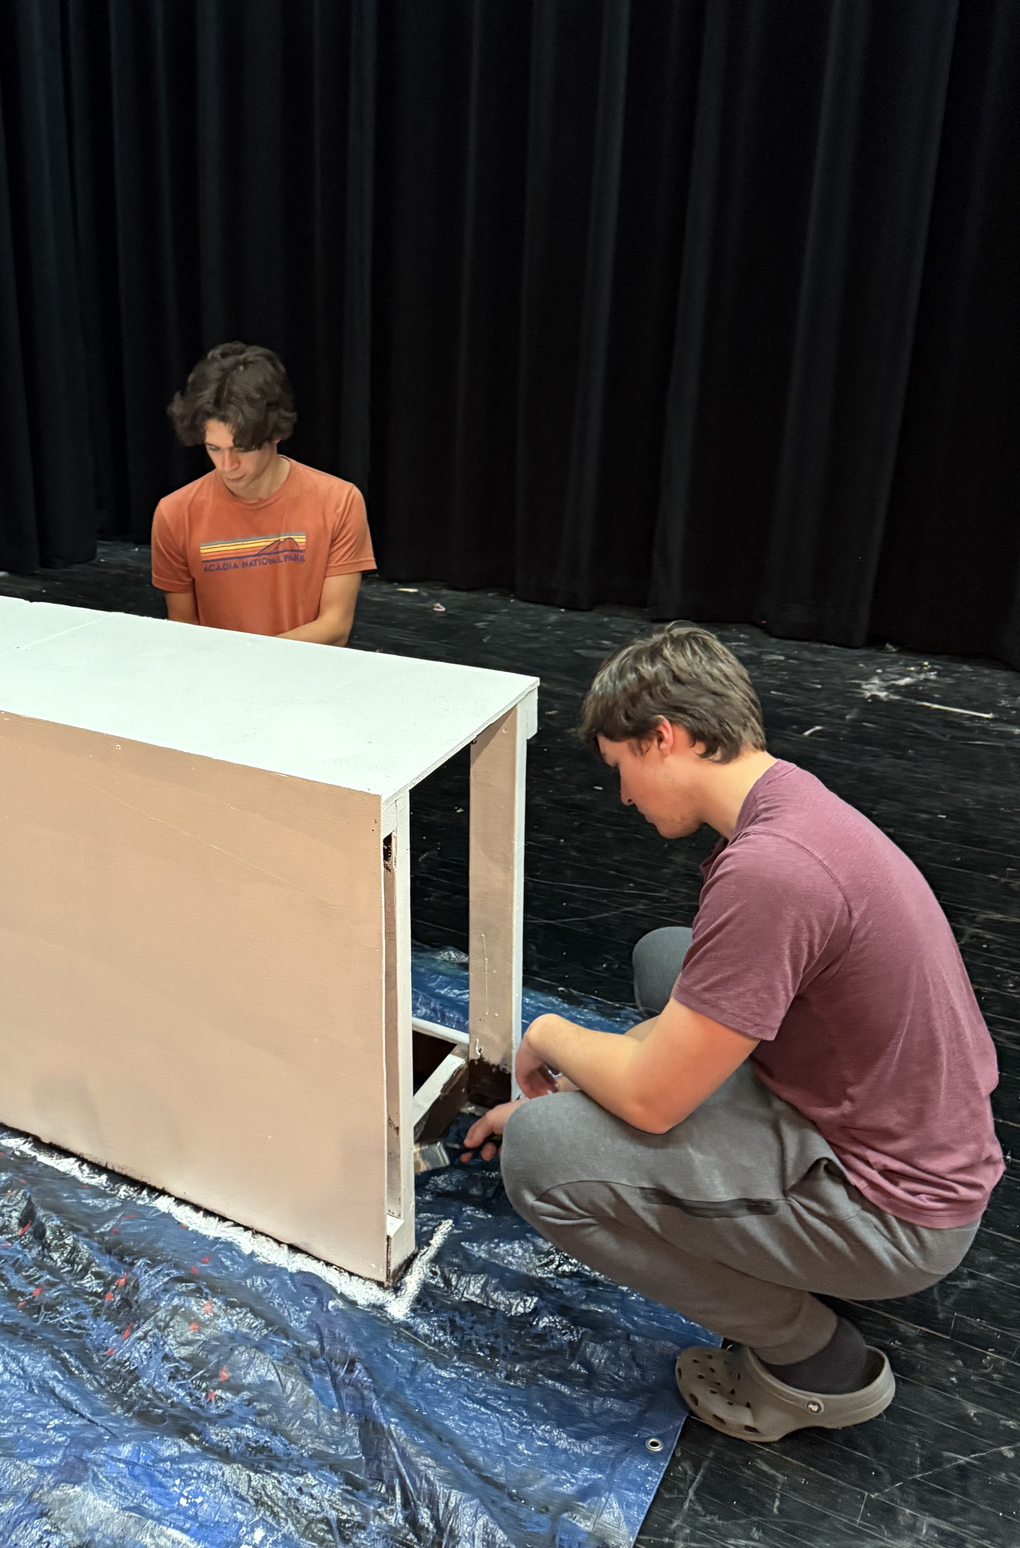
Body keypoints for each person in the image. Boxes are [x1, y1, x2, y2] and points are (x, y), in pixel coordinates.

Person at [463, 625, 1003, 1444]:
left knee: (542, 1157)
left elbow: (652, 1101)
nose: (624, 796)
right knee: (668, 958)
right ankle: (778, 1228)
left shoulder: (770, 871)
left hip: (897, 1211)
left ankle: (811, 1361)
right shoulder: (791, 804)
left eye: (621, 767)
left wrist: (551, 1037)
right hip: (902, 1130)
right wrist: (589, 1084)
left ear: (665, 738)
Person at [151, 342, 374, 643]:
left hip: (305, 669)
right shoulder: (175, 513)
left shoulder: (339, 502)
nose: (227, 465)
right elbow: (184, 629)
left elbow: (335, 626)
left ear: (276, 433)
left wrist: (253, 661)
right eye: (214, 448)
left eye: (242, 448)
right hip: (220, 669)